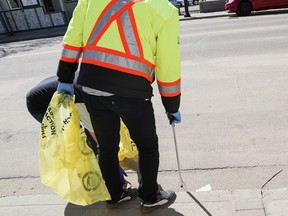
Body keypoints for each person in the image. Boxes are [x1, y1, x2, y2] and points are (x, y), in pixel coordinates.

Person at [56, 0, 182, 208]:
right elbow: (168, 63)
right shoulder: (164, 10)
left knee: (106, 147)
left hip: (91, 85)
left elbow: (73, 37)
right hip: (131, 90)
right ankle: (150, 197)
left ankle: (115, 194)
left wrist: (65, 77)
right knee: (147, 146)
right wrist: (171, 105)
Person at [26, 73, 139, 188]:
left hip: (57, 93)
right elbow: (100, 140)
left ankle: (99, 171)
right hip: (40, 105)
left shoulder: (97, 80)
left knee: (93, 137)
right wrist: (114, 170)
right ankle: (106, 181)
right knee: (79, 141)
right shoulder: (87, 98)